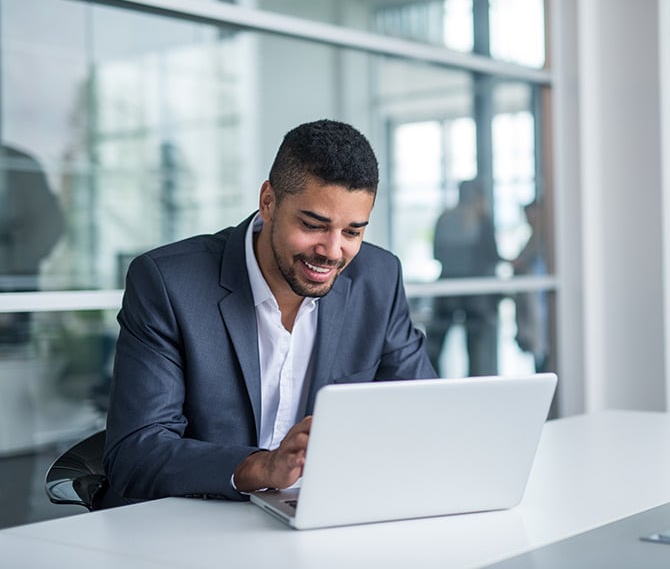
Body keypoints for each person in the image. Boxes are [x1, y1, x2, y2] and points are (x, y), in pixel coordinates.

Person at [103, 119, 436, 504]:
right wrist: (261, 467)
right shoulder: (169, 284)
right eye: (314, 225)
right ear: (268, 202)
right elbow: (135, 453)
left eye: (352, 232)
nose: (331, 251)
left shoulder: (378, 279)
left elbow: (421, 413)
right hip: (190, 521)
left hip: (319, 517)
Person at [425, 179, 503, 377]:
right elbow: (491, 255)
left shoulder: (444, 218)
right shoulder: (481, 219)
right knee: (476, 346)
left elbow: (436, 254)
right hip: (475, 292)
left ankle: (433, 384)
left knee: (436, 343)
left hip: (447, 287)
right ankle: (477, 390)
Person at [0, 145, 64, 345]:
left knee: (13, 349)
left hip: (16, 279)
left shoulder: (20, 162)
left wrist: (19, 262)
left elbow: (51, 223)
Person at [512, 199, 549, 372]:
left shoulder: (545, 238)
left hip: (539, 299)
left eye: (530, 214)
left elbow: (525, 262)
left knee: (540, 342)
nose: (528, 219)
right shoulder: (534, 237)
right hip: (532, 299)